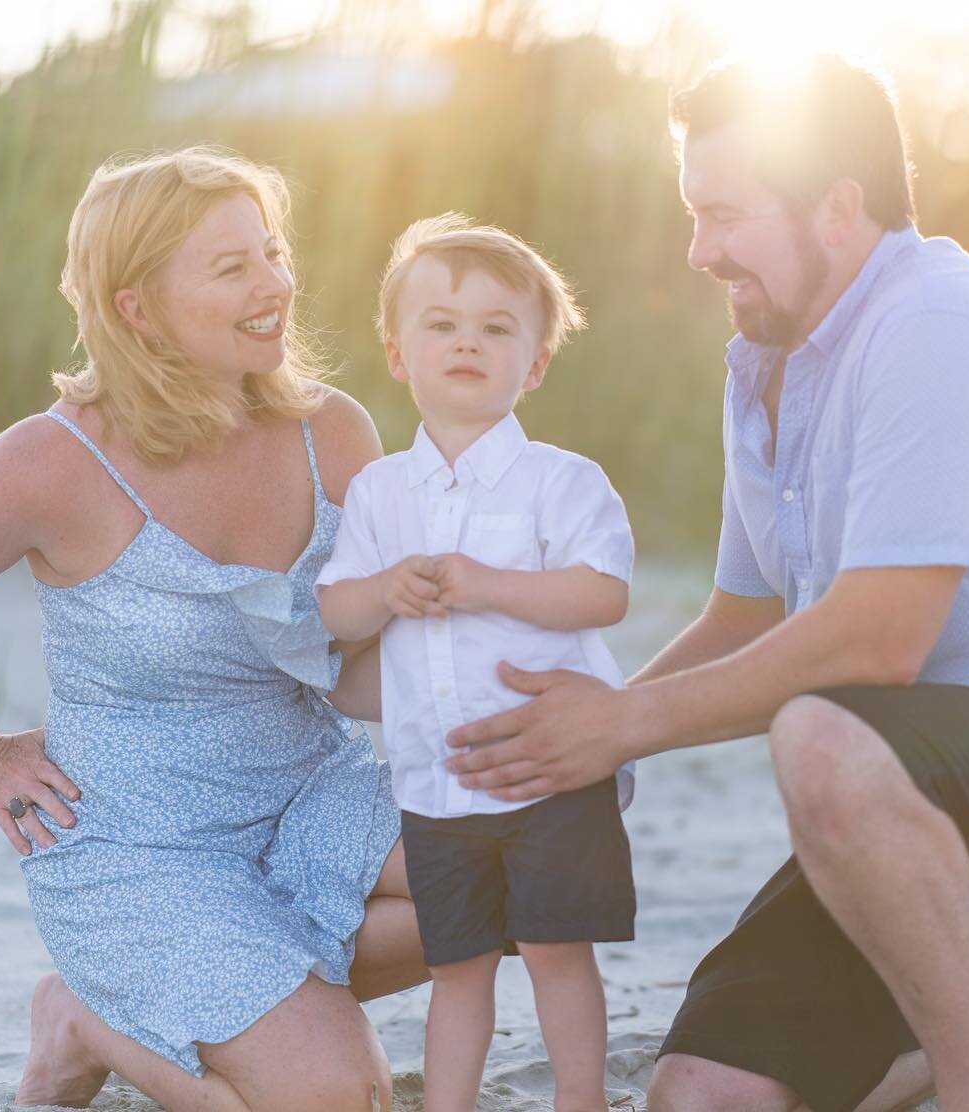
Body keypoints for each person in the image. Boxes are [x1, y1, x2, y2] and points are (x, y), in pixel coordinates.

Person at [441, 55, 969, 1112]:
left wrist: (621, 727)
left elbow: (876, 642)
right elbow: (744, 614)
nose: (699, 249)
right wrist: (583, 737)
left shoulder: (938, 326)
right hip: (902, 790)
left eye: (724, 214)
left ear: (839, 208)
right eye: (693, 213)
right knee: (700, 1094)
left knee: (818, 729)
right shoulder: (763, 359)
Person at [0, 146, 427, 1112]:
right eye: (232, 266)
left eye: (272, 252)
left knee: (531, 859)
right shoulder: (57, 464)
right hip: (144, 851)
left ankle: (247, 992)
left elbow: (366, 653)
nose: (275, 283)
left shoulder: (335, 433)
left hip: (311, 797)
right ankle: (90, 1019)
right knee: (337, 1101)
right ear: (136, 308)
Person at [315, 214, 638, 1112]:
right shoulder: (380, 493)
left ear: (533, 364)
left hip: (548, 771)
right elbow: (335, 606)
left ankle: (582, 1099)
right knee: (455, 966)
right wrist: (385, 592)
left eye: (497, 329)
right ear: (396, 352)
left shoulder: (563, 482)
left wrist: (488, 583)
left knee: (553, 950)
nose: (468, 342)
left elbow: (601, 592)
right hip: (437, 781)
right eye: (442, 324)